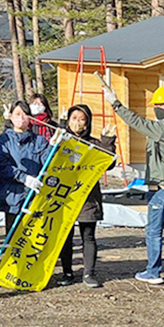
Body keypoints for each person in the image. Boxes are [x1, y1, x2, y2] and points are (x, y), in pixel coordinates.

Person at [100, 76, 164, 287]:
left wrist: (115, 103)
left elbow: (136, 122)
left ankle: (153, 272)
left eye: (161, 105)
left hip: (163, 188)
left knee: (153, 230)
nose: (157, 108)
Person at [59, 104, 117, 288]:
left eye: (81, 119)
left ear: (88, 122)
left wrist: (107, 141)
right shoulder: (61, 140)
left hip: (87, 196)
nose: (77, 122)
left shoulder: (94, 144)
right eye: (73, 118)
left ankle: (88, 273)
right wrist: (60, 130)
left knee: (88, 235)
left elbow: (108, 164)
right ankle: (67, 272)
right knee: (64, 237)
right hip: (64, 195)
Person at [0, 100, 51, 232]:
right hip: (12, 196)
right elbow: (3, 166)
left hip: (34, 197)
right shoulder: (4, 140)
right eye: (17, 114)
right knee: (13, 239)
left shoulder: (39, 140)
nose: (21, 118)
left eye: (25, 114)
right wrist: (24, 178)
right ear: (11, 116)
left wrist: (53, 146)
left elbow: (47, 162)